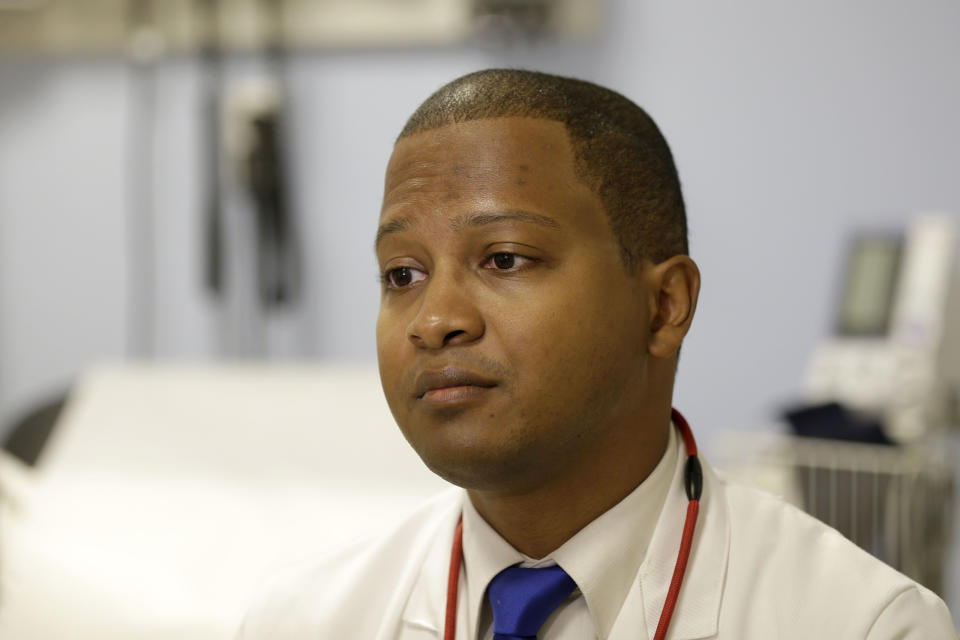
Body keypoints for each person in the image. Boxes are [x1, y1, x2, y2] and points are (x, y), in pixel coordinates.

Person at [238, 69, 957, 639]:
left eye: (506, 258)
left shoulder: (862, 625)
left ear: (664, 306)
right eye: (403, 274)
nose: (435, 320)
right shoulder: (303, 623)